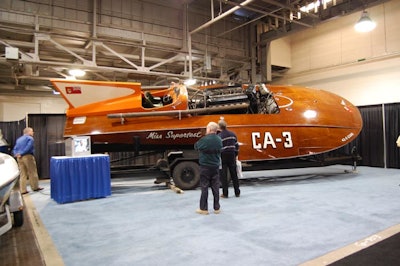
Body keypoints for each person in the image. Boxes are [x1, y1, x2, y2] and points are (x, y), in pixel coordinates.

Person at [194, 122, 223, 215]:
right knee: (215, 187)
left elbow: (196, 146)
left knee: (204, 187)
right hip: (215, 166)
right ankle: (217, 208)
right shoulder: (219, 140)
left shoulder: (204, 140)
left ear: (210, 129)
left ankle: (204, 208)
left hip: (205, 166)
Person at [12, 127, 43, 194]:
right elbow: (28, 147)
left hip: (19, 158)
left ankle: (23, 190)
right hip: (27, 156)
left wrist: (17, 154)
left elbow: (15, 148)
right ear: (28, 132)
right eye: (32, 131)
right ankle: (35, 187)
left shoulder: (19, 139)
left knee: (23, 173)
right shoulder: (30, 138)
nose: (33, 133)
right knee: (32, 172)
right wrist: (22, 153)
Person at [218, 119, 241, 198]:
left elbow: (219, 147)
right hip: (232, 154)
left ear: (219, 127)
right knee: (234, 174)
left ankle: (225, 193)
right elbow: (237, 145)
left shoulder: (219, 136)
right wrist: (236, 154)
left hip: (223, 155)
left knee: (223, 175)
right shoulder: (232, 134)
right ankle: (237, 192)